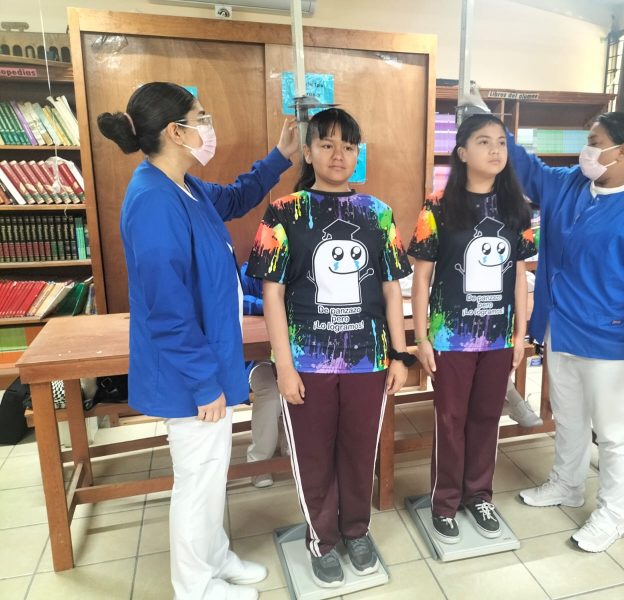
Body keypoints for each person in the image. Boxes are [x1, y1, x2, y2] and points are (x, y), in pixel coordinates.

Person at [97, 81, 298, 600]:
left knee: (211, 472)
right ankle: (195, 586)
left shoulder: (184, 186)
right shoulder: (153, 201)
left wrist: (280, 157)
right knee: (197, 479)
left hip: (207, 361)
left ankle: (215, 558)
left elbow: (236, 197)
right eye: (201, 117)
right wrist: (204, 382)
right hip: (188, 375)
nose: (208, 127)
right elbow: (166, 311)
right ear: (175, 131)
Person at [246, 108, 412, 588]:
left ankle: (357, 531)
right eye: (327, 144)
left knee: (359, 452)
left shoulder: (378, 213)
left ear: (358, 154)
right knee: (314, 455)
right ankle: (321, 538)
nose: (338, 155)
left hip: (367, 359)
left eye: (348, 146)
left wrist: (399, 354)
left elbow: (391, 290)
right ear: (308, 151)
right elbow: (272, 295)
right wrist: (284, 366)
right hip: (308, 362)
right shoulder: (283, 212)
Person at [509, 111, 624, 552]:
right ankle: (567, 484)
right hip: (562, 330)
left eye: (594, 141)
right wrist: (486, 121)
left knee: (613, 433)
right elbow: (527, 169)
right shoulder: (570, 186)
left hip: (613, 343)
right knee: (567, 418)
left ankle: (612, 515)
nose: (585, 151)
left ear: (622, 151)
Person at [408, 113, 536, 543]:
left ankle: (479, 495)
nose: (495, 150)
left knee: (487, 416)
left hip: (498, 335)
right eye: (483, 142)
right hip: (451, 336)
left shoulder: (517, 208)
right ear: (462, 153)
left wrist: (519, 335)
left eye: (501, 142)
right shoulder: (437, 207)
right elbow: (422, 279)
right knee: (451, 419)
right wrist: (421, 338)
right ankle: (444, 501)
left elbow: (518, 277)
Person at [238, 261, 285, 489]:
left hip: (293, 355)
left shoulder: (298, 265)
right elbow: (237, 301)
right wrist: (271, 304)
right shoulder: (249, 271)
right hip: (258, 358)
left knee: (305, 389)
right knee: (271, 393)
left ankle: (291, 450)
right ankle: (258, 463)